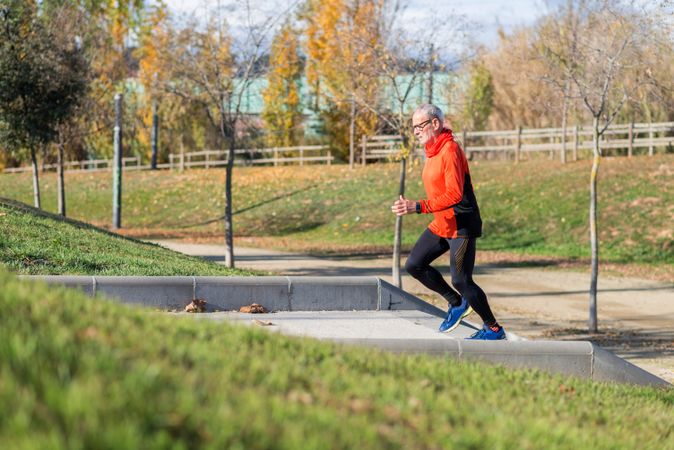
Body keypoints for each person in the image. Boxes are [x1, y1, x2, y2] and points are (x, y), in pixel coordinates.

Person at [390, 103, 505, 340]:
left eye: (420, 125)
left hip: (461, 224)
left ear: (435, 123)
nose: (416, 131)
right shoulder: (432, 152)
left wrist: (417, 206)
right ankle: (456, 303)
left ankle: (493, 328)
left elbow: (454, 194)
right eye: (413, 128)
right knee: (414, 264)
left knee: (461, 279)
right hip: (443, 223)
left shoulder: (450, 150)